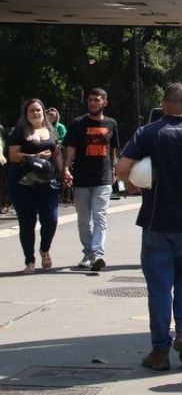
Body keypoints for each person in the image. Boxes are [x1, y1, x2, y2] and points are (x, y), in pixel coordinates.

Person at [115, 83, 182, 371]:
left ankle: (160, 352)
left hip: (156, 222)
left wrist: (133, 184)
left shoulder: (148, 133)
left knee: (159, 288)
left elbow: (121, 168)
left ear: (163, 105)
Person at [62, 88, 120, 270]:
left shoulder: (111, 123)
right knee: (83, 220)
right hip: (81, 179)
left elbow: (113, 150)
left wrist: (113, 170)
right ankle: (89, 252)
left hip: (102, 178)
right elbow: (70, 148)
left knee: (99, 216)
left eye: (96, 100)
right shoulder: (78, 123)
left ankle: (96, 253)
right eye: (90, 100)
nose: (93, 102)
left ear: (105, 102)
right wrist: (65, 168)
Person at [6, 99, 63, 274]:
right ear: (26, 113)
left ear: (43, 112)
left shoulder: (52, 131)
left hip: (48, 182)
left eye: (38, 110)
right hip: (22, 183)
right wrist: (34, 156)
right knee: (27, 222)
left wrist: (64, 172)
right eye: (31, 111)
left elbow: (56, 154)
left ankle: (44, 249)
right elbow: (13, 155)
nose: (35, 113)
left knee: (51, 220)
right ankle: (29, 260)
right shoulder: (20, 131)